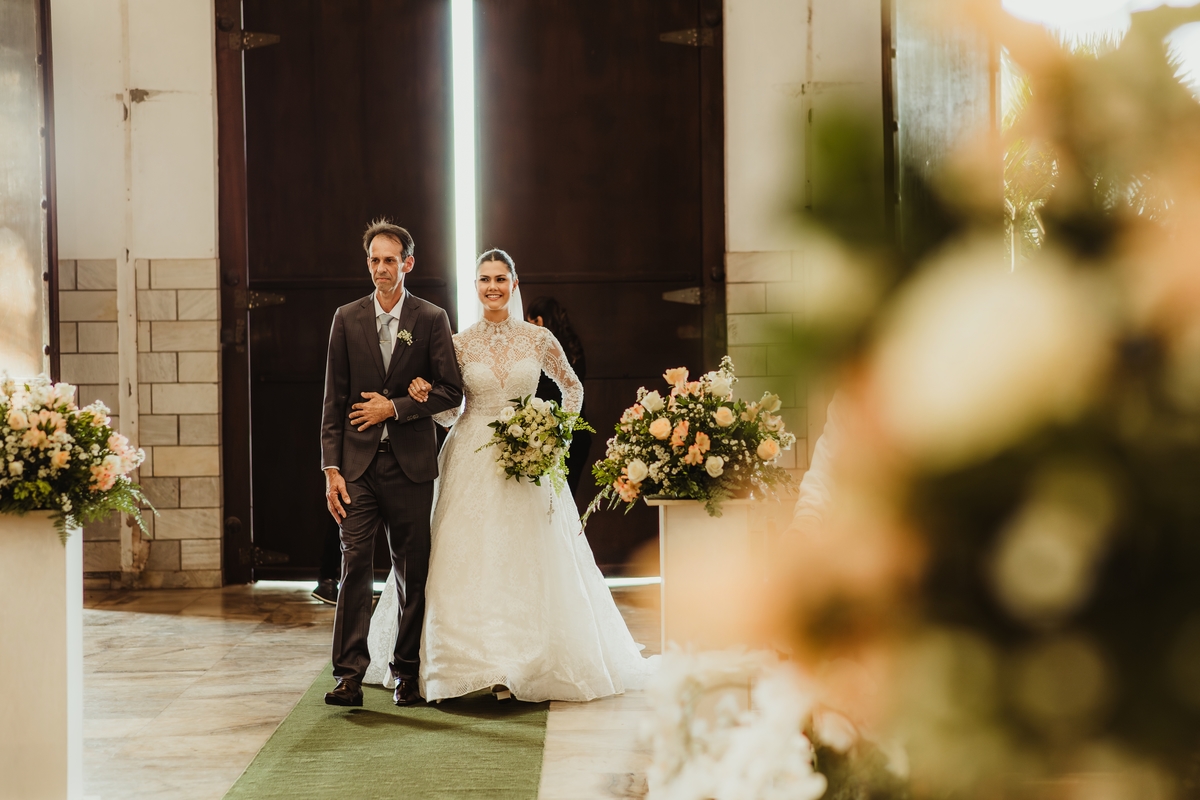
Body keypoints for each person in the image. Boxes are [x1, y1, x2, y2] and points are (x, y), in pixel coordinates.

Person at [364, 249, 655, 702]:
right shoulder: (458, 343)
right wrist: (422, 397)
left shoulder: (538, 338)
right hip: (470, 456)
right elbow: (449, 414)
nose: (493, 287)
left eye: (501, 279)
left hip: (527, 459)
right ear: (476, 286)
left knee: (528, 554)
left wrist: (555, 434)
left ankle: (524, 661)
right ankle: (461, 663)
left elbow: (572, 386)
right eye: (485, 279)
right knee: (463, 553)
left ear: (514, 284)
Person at [318, 219, 464, 708]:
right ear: (368, 264)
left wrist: (396, 407)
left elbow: (451, 391)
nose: (381, 268)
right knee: (355, 565)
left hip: (411, 468)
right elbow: (333, 401)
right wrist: (331, 470)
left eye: (390, 260)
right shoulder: (346, 318)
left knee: (411, 573)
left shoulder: (431, 318)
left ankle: (406, 673)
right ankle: (348, 676)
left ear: (408, 264)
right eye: (374, 260)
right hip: (356, 469)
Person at [526, 296, 594, 498]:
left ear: (539, 320)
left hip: (550, 433)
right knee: (567, 497)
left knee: (549, 499)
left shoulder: (543, 350)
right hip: (578, 432)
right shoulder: (574, 346)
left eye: (530, 322)